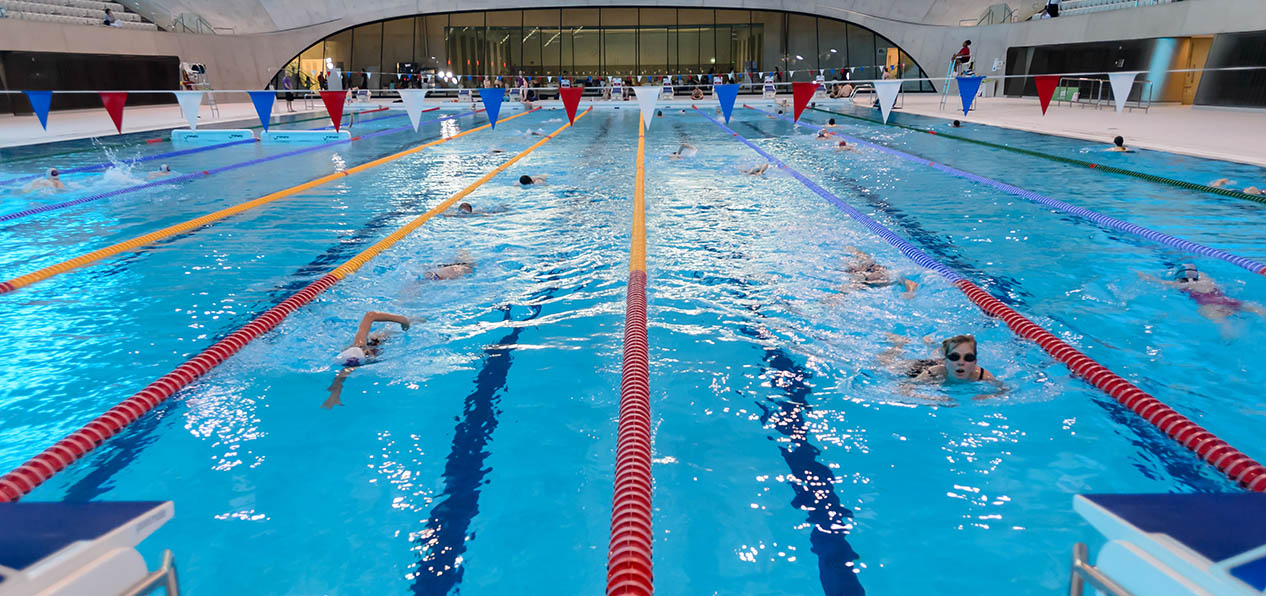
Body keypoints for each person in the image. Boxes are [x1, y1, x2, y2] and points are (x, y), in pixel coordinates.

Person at [879, 333, 1006, 401]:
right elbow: (901, 390)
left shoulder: (982, 375)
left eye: (968, 358)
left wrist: (988, 396)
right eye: (955, 357)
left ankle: (932, 345)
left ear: (975, 362)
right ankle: (899, 344)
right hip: (923, 367)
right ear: (946, 360)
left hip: (945, 364)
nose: (961, 362)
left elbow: (1005, 390)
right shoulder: (933, 373)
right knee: (886, 365)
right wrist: (935, 399)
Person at [325, 311, 412, 408]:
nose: (368, 353)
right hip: (379, 344)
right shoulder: (355, 361)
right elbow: (340, 377)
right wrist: (334, 395)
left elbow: (370, 315)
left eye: (364, 352)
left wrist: (402, 320)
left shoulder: (360, 344)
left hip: (377, 339)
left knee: (388, 332)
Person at [1139, 265, 1265, 330]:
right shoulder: (1207, 280)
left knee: (1224, 324)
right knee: (1256, 309)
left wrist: (1145, 276)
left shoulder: (1182, 285)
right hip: (1227, 300)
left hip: (1210, 306)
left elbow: (1161, 283)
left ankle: (1230, 337)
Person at [837, 245, 917, 298]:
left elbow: (910, 283)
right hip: (868, 270)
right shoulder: (876, 274)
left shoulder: (874, 279)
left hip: (867, 274)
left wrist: (910, 293)